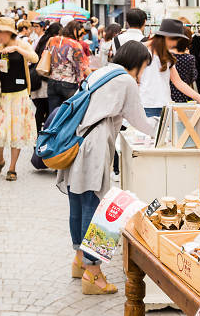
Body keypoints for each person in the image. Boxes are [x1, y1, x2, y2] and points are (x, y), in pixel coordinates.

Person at [57, 40, 156, 295]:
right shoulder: (125, 81)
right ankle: (94, 273)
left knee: (78, 201)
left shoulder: (102, 71)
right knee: (98, 207)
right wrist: (165, 125)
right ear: (137, 63)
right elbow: (140, 121)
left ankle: (79, 260)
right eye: (144, 67)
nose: (142, 74)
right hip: (96, 145)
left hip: (78, 141)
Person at [0, 17, 39, 181]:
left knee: (17, 131)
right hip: (3, 95)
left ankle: (12, 168)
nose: (0, 35)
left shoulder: (22, 44)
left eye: (2, 32)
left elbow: (34, 58)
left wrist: (17, 49)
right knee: (0, 130)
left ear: (9, 32)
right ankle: (0, 160)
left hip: (19, 94)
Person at [139, 19, 200, 117]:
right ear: (167, 37)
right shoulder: (141, 50)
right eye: (176, 40)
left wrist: (199, 98)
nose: (175, 44)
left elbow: (178, 82)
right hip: (146, 105)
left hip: (165, 105)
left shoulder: (166, 54)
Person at [45, 20, 90, 113]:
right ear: (74, 30)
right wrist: (94, 78)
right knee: (68, 114)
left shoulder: (53, 40)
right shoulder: (75, 44)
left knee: (53, 114)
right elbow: (83, 66)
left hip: (52, 81)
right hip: (69, 83)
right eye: (81, 33)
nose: (82, 36)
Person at [32, 23, 61, 131]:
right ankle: (42, 134)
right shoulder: (51, 40)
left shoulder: (42, 39)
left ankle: (38, 135)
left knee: (40, 109)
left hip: (37, 76)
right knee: (45, 110)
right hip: (43, 79)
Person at [169, 27, 198, 103]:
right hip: (184, 94)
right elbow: (193, 77)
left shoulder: (168, 56)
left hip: (169, 95)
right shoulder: (190, 58)